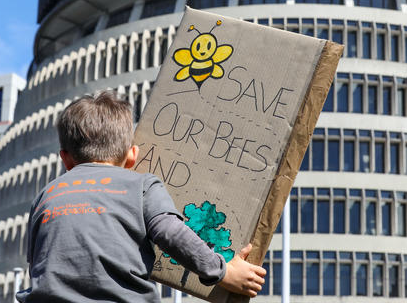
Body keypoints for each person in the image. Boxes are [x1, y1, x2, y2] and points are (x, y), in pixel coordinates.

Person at [17, 91, 266, 302]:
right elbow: (171, 233)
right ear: (132, 155)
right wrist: (223, 273)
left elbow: (37, 264)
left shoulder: (46, 195)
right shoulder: (141, 185)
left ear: (66, 159)